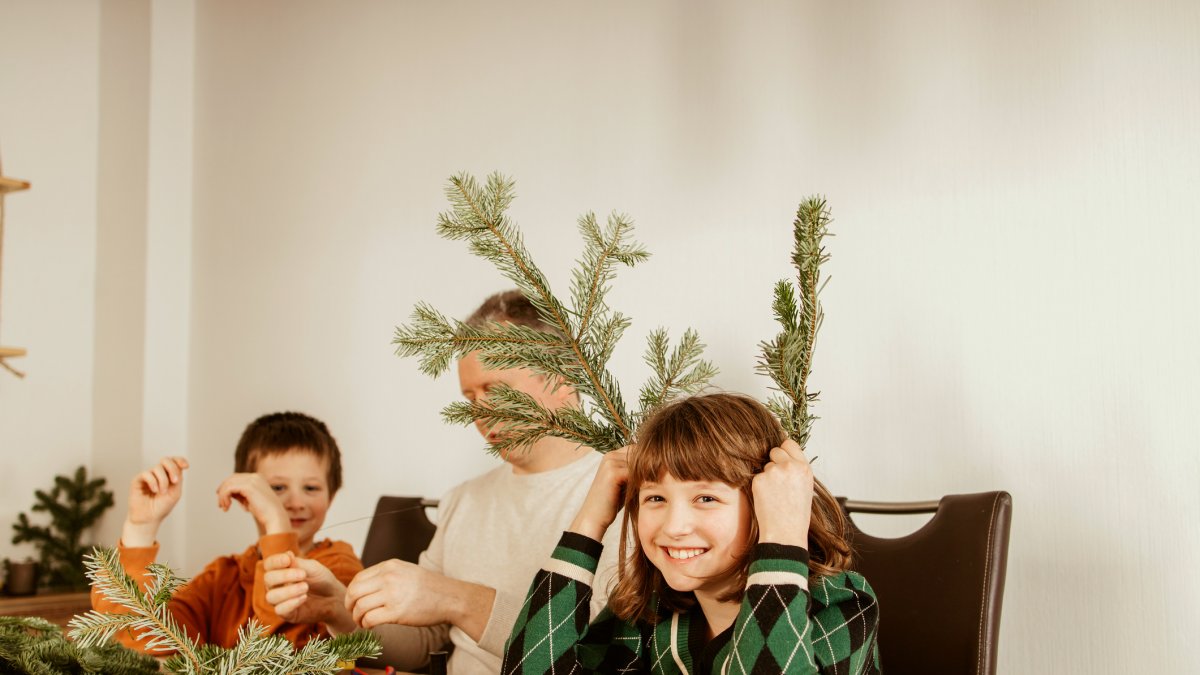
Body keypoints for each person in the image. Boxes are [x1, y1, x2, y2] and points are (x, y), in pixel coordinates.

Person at [263, 290, 621, 675]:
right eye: (471, 396)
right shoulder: (463, 500)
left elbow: (597, 658)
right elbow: (423, 646)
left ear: (562, 378)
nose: (480, 413)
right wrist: (337, 608)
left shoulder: (629, 494)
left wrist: (457, 599)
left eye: (496, 389)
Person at [500, 392, 882, 675]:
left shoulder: (840, 605)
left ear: (765, 503)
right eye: (655, 498)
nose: (673, 527)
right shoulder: (647, 612)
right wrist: (589, 522)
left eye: (705, 498)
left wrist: (781, 535)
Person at [90, 411, 362, 653]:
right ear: (245, 497)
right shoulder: (222, 578)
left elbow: (283, 653)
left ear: (331, 495)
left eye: (311, 488)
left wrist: (277, 522)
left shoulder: (338, 566)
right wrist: (140, 529)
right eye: (277, 489)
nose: (296, 502)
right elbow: (145, 638)